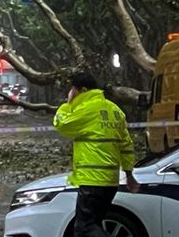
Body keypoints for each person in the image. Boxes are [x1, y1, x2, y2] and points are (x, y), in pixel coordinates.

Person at [53, 72, 140, 237]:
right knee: (95, 223)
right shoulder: (114, 110)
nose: (71, 92)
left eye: (73, 89)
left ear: (83, 90)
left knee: (84, 229)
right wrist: (129, 174)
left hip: (93, 179)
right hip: (110, 181)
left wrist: (67, 104)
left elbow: (62, 124)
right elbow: (126, 145)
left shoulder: (87, 109)